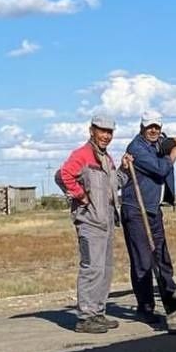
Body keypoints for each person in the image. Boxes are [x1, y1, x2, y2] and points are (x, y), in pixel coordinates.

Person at [57, 113, 133, 334]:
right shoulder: (81, 155)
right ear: (92, 130)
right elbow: (63, 176)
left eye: (109, 132)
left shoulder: (106, 158)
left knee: (105, 269)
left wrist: (124, 169)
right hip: (90, 221)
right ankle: (85, 317)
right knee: (92, 268)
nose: (106, 136)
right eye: (102, 131)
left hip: (106, 220)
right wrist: (81, 197)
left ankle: (97, 312)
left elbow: (115, 184)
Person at [120, 112, 176, 323]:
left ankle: (171, 302)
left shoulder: (160, 142)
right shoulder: (136, 148)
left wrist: (173, 143)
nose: (154, 130)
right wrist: (173, 153)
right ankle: (145, 307)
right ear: (142, 127)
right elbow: (159, 169)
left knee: (162, 257)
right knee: (143, 260)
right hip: (136, 209)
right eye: (150, 127)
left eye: (157, 127)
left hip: (153, 208)